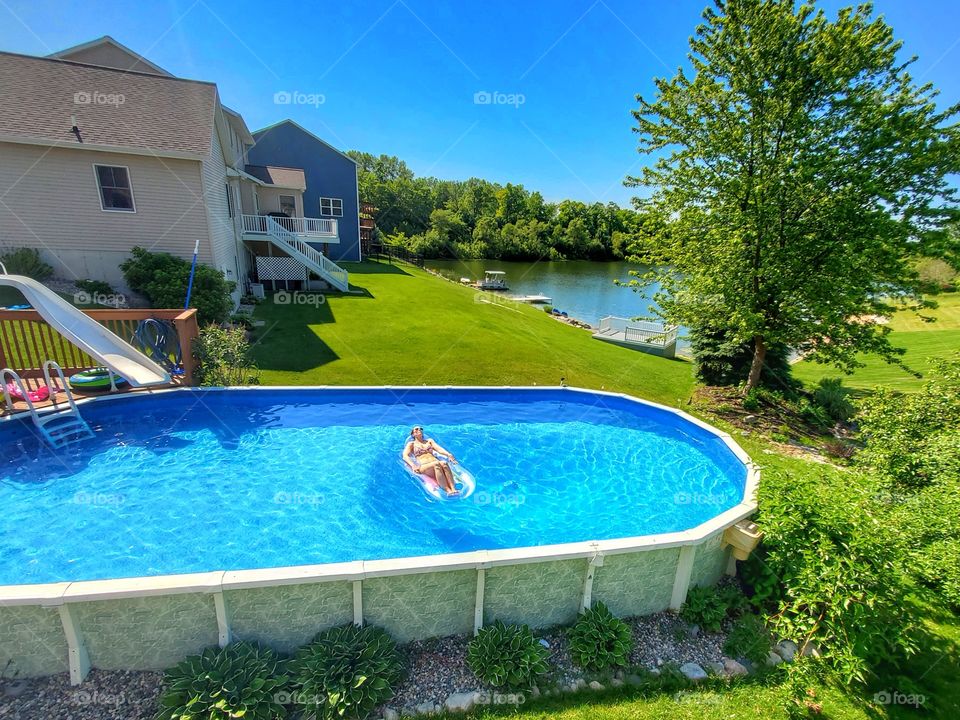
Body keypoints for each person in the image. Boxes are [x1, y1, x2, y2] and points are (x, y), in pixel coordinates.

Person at [403, 426, 458, 495]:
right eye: (416, 429)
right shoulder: (411, 444)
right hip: (424, 467)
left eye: (421, 429)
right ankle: (448, 490)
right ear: (413, 434)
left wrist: (448, 454)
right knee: (436, 464)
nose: (419, 430)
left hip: (435, 463)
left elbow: (439, 449)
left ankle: (453, 488)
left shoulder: (429, 441)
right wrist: (413, 465)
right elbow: (405, 455)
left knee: (444, 463)